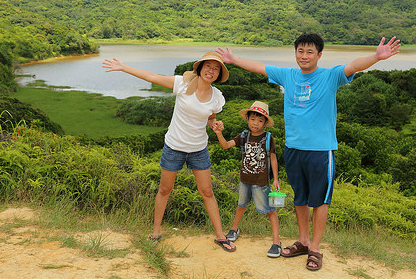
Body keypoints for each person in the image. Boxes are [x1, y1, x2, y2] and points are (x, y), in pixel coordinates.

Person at [216, 34, 401, 269]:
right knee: (301, 198)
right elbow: (261, 68)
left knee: (319, 201)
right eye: (300, 51)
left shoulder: (330, 76)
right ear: (295, 54)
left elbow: (353, 65)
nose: (304, 56)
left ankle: (315, 248)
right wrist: (234, 59)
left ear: (319, 55)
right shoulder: (288, 75)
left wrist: (376, 56)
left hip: (321, 150)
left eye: (310, 52)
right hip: (294, 149)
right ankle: (302, 241)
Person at [102, 51, 236, 252]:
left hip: (199, 149)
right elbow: (151, 77)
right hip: (174, 147)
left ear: (219, 74)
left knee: (207, 191)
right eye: (208, 66)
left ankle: (220, 236)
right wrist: (124, 67)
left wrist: (214, 125)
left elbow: (210, 117)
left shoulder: (216, 96)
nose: (211, 71)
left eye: (216, 69)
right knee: (165, 190)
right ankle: (156, 232)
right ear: (199, 68)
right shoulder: (182, 84)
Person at [213, 100, 283, 257]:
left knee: (270, 210)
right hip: (244, 179)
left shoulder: (268, 138)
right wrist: (219, 133)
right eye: (253, 119)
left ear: (265, 123)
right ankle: (234, 229)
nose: (256, 123)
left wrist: (276, 179)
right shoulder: (243, 136)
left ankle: (277, 242)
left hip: (262, 183)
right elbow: (225, 145)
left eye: (260, 120)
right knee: (241, 205)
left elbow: (273, 159)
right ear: (247, 119)